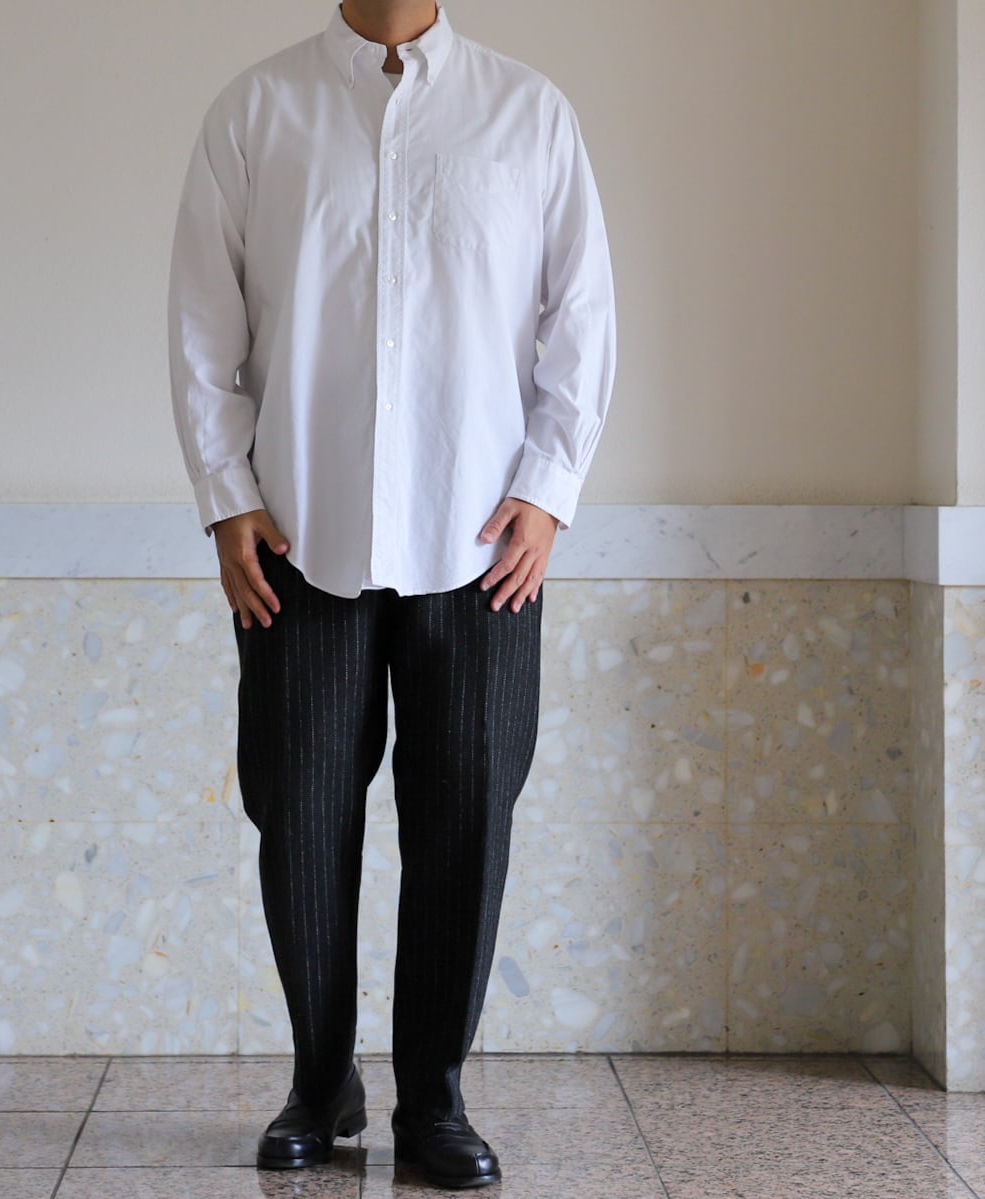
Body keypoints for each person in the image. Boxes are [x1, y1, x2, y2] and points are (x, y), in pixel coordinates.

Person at [168, 0, 615, 1187]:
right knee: (299, 814)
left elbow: (580, 311)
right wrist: (224, 494)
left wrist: (549, 487)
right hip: (296, 532)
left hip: (482, 545)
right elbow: (203, 320)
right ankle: (321, 1079)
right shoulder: (257, 110)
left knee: (466, 817)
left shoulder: (527, 114)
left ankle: (435, 1098)